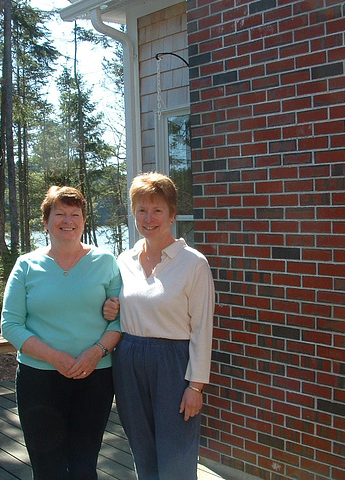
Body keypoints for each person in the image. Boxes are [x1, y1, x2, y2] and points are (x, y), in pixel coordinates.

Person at [1, 186, 122, 480]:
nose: (68, 220)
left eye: (75, 214)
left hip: (95, 377)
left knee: (84, 466)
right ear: (46, 221)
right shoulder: (26, 265)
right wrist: (55, 357)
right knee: (47, 469)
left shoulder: (106, 262)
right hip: (38, 381)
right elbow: (10, 324)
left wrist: (96, 353)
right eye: (60, 214)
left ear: (83, 221)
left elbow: (121, 320)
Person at [104, 172, 214, 480]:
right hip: (128, 359)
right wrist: (109, 307)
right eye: (141, 209)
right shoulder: (124, 261)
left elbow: (203, 328)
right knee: (142, 450)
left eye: (157, 210)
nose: (148, 217)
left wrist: (196, 386)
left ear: (172, 214)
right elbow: (117, 308)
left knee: (176, 454)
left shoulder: (193, 263)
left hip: (174, 364)